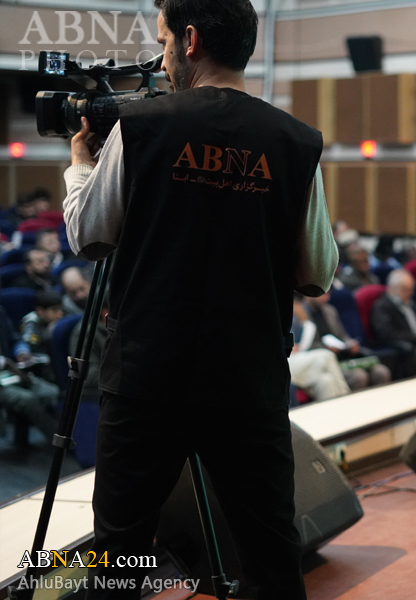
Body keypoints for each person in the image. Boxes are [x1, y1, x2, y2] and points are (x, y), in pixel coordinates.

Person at [61, 1, 337, 598]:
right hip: (248, 377)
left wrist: (80, 165)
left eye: (164, 43)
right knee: (270, 556)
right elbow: (317, 273)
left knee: (118, 555)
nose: (163, 59)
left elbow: (89, 236)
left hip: (146, 374)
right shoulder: (297, 142)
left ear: (190, 41)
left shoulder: (141, 125)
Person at [301, 292, 391, 391]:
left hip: (343, 355)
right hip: (323, 360)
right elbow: (304, 345)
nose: (326, 298)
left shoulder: (330, 310)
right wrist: (326, 348)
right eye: (322, 294)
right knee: (359, 376)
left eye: (328, 294)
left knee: (381, 371)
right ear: (308, 293)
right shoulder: (300, 314)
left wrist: (350, 344)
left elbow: (342, 335)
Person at [0, 305, 59, 445]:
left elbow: (14, 338)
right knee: (28, 400)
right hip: (4, 378)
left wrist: (22, 352)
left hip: (12, 372)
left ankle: (72, 434)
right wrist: (6, 363)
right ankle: (59, 442)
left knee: (52, 392)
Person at [288, 299, 351, 401]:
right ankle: (346, 396)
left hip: (301, 358)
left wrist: (304, 321)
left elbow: (303, 346)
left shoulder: (304, 323)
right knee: (327, 355)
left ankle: (334, 409)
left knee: (326, 380)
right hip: (286, 362)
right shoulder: (279, 320)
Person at [20, 289, 64, 358]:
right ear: (40, 311)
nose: (60, 314)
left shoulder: (60, 320)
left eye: (61, 309)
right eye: (54, 310)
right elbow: (31, 348)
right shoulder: (31, 323)